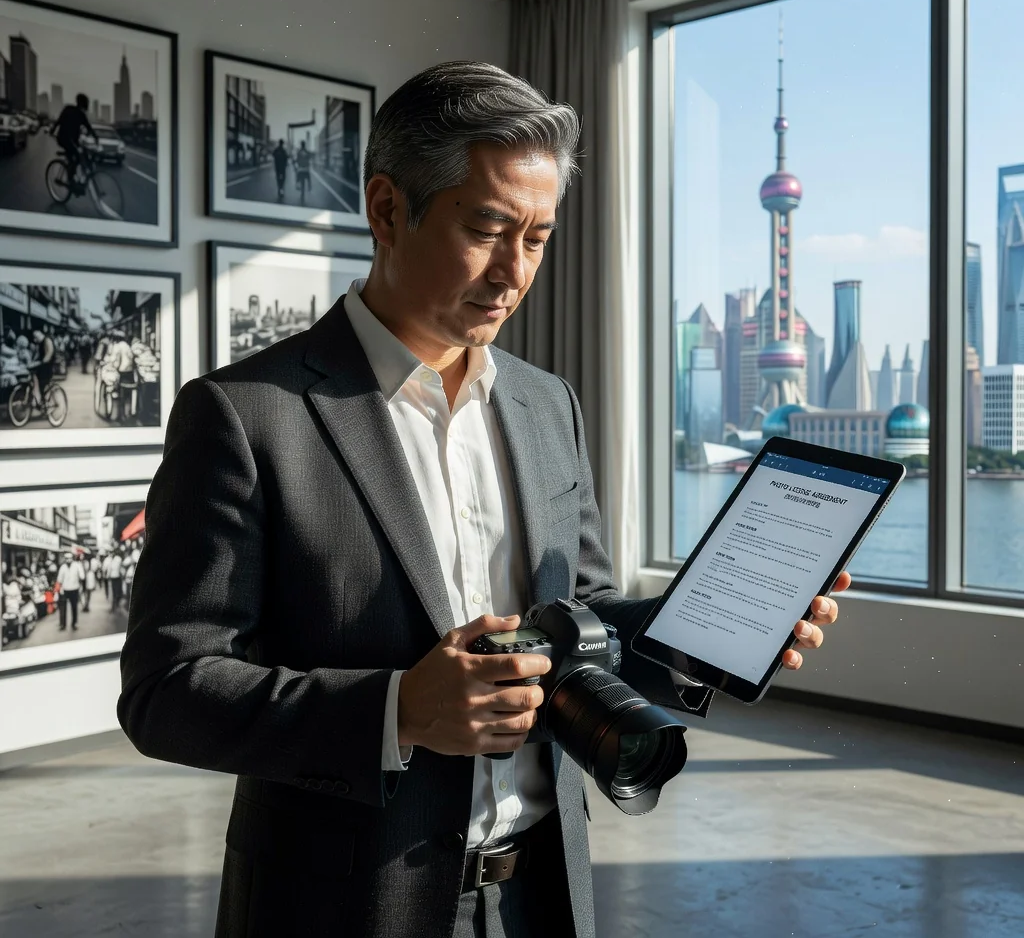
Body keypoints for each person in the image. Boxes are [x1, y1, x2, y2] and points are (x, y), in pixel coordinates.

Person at [118, 61, 846, 938]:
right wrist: (400, 711)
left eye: (537, 238)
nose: (514, 272)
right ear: (387, 210)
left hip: (544, 890)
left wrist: (712, 624)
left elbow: (583, 618)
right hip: (345, 905)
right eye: (489, 227)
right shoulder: (244, 416)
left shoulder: (547, 405)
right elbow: (166, 690)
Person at [51, 92, 98, 190]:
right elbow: (59, 120)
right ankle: (70, 180)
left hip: (73, 140)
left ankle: (74, 176)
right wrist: (96, 137)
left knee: (82, 154)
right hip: (64, 139)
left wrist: (95, 137)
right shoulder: (73, 111)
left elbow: (88, 127)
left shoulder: (72, 110)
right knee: (75, 156)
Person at [55, 551, 85, 632]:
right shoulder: (63, 567)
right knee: (62, 608)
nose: (68, 560)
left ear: (72, 559)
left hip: (74, 589)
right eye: (66, 559)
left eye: (70, 558)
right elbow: (59, 580)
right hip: (64, 590)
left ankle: (74, 623)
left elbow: (82, 576)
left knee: (74, 607)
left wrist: (80, 574)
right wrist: (60, 589)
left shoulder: (77, 565)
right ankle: (62, 624)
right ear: (65, 559)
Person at [29, 328, 56, 407]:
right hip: (42, 366)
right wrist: (33, 362)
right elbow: (38, 354)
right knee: (40, 385)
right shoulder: (40, 342)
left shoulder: (47, 340)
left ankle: (44, 402)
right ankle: (42, 401)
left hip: (47, 366)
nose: (35, 338)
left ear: (40, 333)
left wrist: (41, 362)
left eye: (36, 336)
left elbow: (49, 353)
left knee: (43, 384)